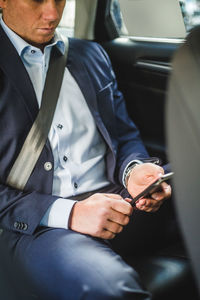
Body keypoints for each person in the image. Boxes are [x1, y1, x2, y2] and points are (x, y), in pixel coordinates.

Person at [0, 0, 171, 299]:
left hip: (121, 202)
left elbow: (124, 135)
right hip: (37, 225)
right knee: (109, 290)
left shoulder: (91, 54)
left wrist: (135, 171)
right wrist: (70, 213)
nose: (52, 14)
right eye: (37, 0)